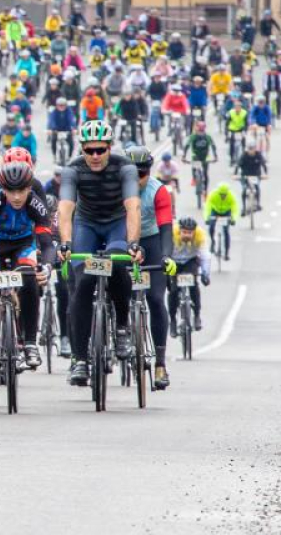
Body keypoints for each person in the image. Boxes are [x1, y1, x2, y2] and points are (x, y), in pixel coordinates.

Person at [56, 120, 142, 387]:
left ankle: (122, 326)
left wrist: (133, 243)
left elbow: (133, 207)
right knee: (81, 283)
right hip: (87, 224)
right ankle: (80, 360)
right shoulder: (73, 169)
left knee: (116, 264)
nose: (94, 156)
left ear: (109, 147)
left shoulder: (124, 168)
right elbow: (66, 209)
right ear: (82, 148)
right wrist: (66, 244)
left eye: (100, 150)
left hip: (116, 224)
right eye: (89, 150)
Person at [0, 159, 55, 372]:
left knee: (29, 281)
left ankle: (29, 343)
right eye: (11, 191)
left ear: (30, 188)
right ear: (3, 189)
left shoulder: (36, 204)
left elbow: (47, 244)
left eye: (22, 191)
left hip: (22, 246)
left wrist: (46, 267)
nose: (17, 197)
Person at [125, 146, 174, 390]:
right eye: (132, 175)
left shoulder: (158, 191)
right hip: (124, 241)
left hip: (152, 241)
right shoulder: (116, 190)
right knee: (118, 290)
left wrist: (166, 256)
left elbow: (166, 228)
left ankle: (160, 363)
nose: (137, 179)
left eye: (142, 174)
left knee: (156, 298)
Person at [170, 217, 211, 331]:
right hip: (174, 261)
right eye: (184, 232)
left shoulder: (199, 236)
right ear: (180, 231)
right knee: (173, 291)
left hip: (190, 261)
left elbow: (205, 255)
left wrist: (205, 273)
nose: (187, 235)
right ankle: (172, 320)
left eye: (190, 233)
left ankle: (197, 315)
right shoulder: (172, 234)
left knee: (194, 286)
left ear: (194, 232)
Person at [205, 182, 238, 259]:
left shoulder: (231, 196)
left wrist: (233, 218)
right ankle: (212, 241)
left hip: (226, 212)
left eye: (224, 195)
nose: (223, 196)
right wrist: (207, 217)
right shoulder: (213, 195)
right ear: (218, 192)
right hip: (215, 211)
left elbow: (234, 207)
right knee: (211, 226)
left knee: (226, 231)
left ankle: (226, 252)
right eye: (221, 194)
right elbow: (208, 205)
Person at [235, 140, 268, 210]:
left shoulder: (258, 154)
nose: (251, 151)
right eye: (249, 149)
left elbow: (263, 164)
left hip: (256, 174)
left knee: (257, 188)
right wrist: (235, 174)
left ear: (255, 148)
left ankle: (258, 204)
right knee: (244, 190)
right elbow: (238, 164)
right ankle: (243, 207)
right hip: (245, 175)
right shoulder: (244, 155)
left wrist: (266, 173)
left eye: (252, 148)